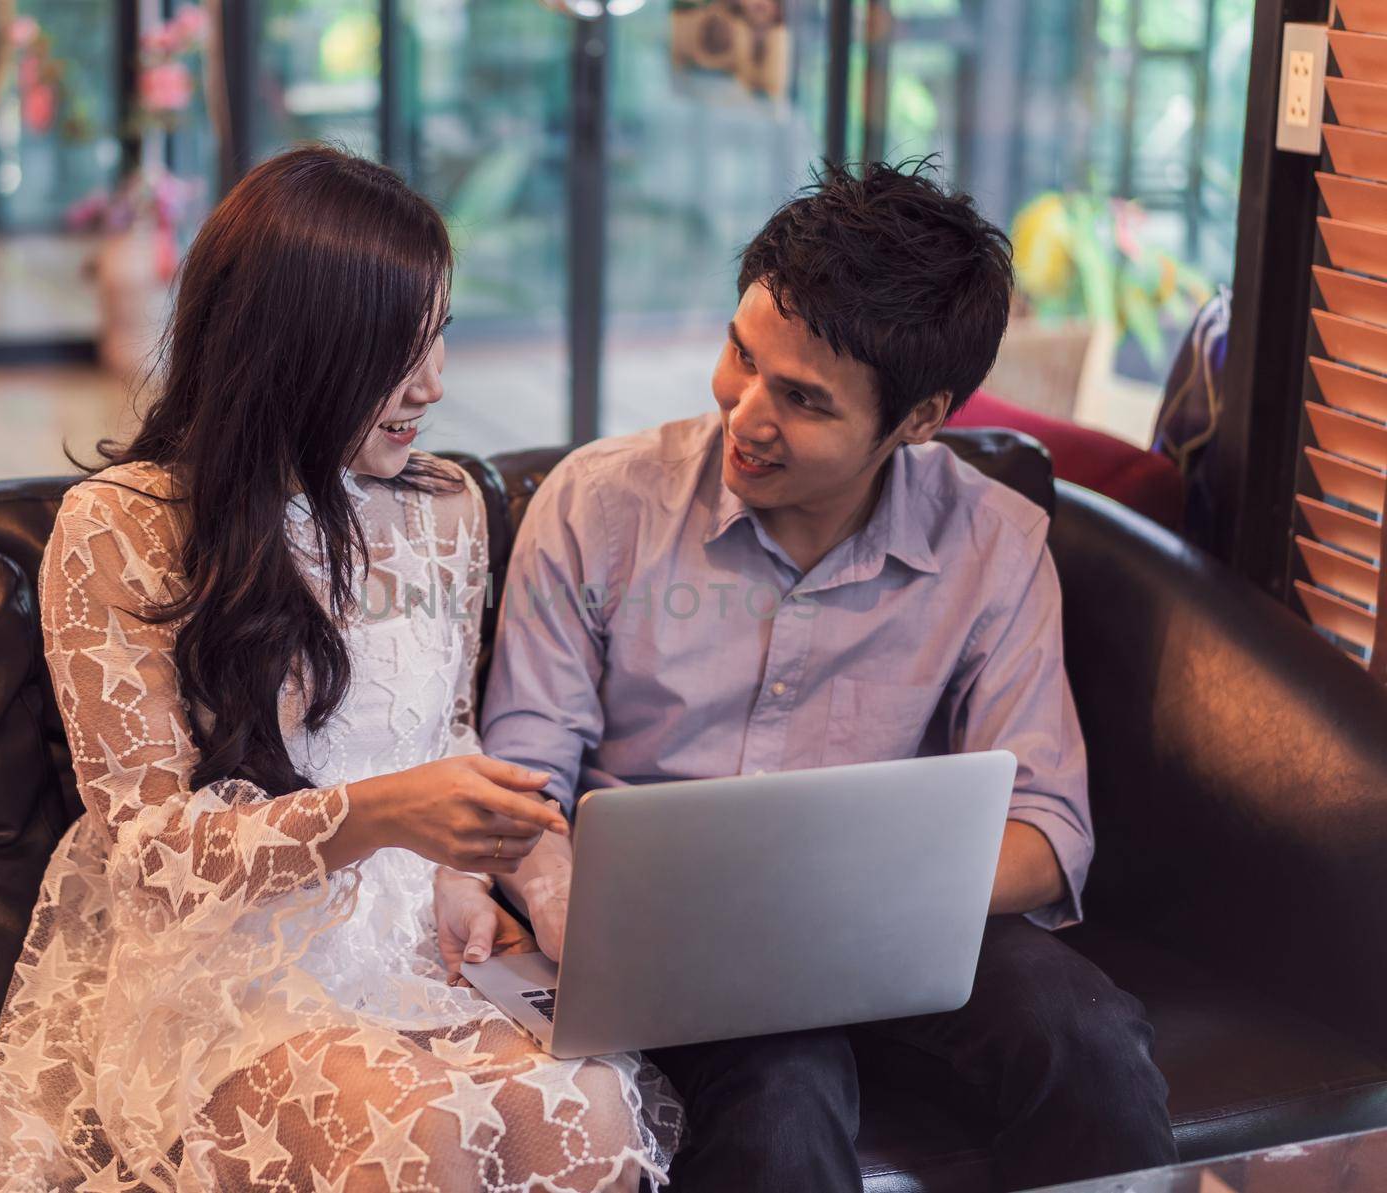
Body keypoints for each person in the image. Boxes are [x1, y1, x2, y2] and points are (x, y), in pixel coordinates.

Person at [439, 161, 1178, 1191]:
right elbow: (522, 775)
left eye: (801, 398)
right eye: (740, 356)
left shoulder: (992, 542)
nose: (744, 412)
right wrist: (564, 894)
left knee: (1088, 1041)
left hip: (903, 932)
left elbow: (1048, 834)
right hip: (678, 940)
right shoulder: (599, 507)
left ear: (918, 418)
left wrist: (844, 899)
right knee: (781, 1096)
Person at [0, 145, 681, 1193]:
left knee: (594, 1110)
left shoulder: (447, 509)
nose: (432, 386)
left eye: (440, 337)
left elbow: (442, 737)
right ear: (295, 349)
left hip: (405, 941)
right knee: (416, 1133)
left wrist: (500, 871)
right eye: (397, 351)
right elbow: (149, 855)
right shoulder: (121, 526)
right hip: (218, 960)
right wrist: (385, 816)